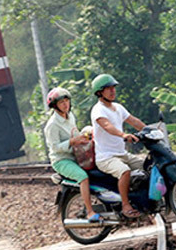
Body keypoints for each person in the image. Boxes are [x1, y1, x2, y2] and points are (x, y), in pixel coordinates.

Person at [90, 74, 146, 219]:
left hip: (121, 154)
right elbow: (107, 126)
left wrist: (150, 131)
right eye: (108, 88)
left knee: (148, 165)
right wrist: (123, 135)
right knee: (124, 171)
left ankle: (144, 201)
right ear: (99, 92)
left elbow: (134, 121)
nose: (112, 91)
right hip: (106, 157)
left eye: (113, 88)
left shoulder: (118, 108)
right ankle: (126, 206)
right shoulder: (98, 110)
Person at [44, 87, 102, 222]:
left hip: (75, 155)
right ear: (55, 106)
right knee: (83, 177)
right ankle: (89, 211)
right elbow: (54, 148)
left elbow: (75, 134)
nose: (65, 104)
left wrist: (84, 136)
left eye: (67, 101)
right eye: (61, 103)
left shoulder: (70, 116)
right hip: (62, 160)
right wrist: (72, 141)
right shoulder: (52, 125)